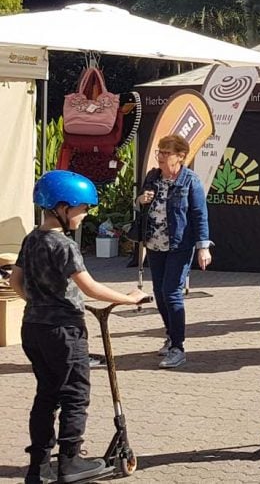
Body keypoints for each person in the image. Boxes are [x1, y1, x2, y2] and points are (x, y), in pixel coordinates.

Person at [12, 171, 147, 484]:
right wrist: (130, 300)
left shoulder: (31, 239)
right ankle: (70, 462)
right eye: (82, 208)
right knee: (75, 395)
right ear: (62, 207)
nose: (85, 215)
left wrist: (39, 303)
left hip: (33, 327)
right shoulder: (63, 245)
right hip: (64, 332)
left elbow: (17, 281)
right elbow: (90, 288)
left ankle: (39, 467)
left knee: (46, 395)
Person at [136, 134, 212, 370]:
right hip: (154, 243)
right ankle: (170, 336)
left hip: (179, 245)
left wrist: (203, 247)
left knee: (172, 293)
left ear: (180, 156)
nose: (160, 156)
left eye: (166, 153)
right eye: (159, 151)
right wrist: (141, 199)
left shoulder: (191, 181)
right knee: (159, 293)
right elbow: (141, 204)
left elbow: (200, 214)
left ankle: (178, 347)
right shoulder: (153, 177)